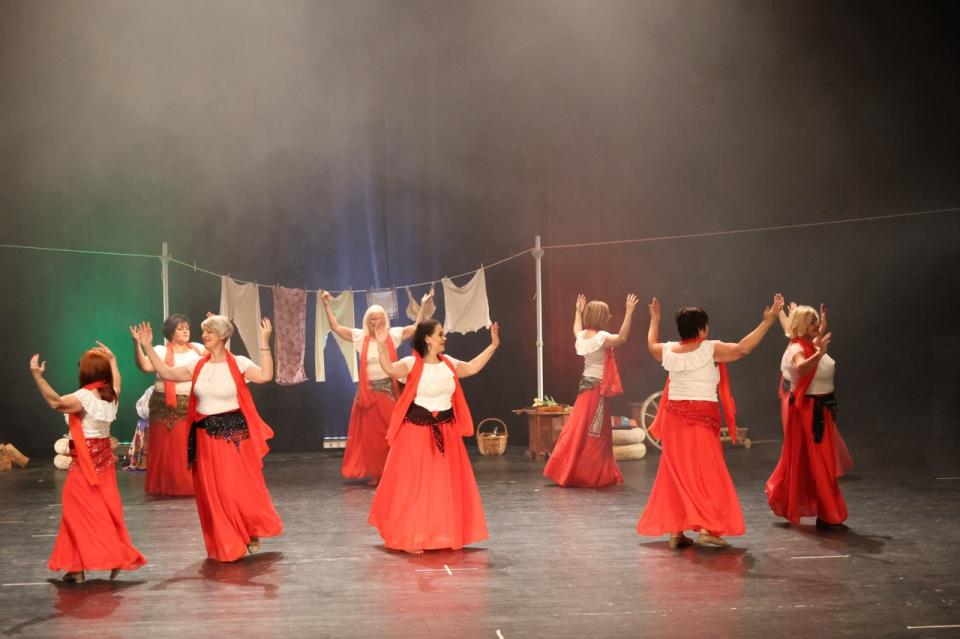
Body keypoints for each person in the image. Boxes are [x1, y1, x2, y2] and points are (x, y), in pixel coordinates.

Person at [637, 294, 784, 548]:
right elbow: (742, 348)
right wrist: (768, 321)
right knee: (707, 472)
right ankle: (708, 527)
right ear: (702, 328)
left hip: (673, 419)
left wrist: (654, 320)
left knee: (676, 473)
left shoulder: (668, 350)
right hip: (700, 419)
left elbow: (651, 344)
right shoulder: (709, 348)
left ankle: (676, 531)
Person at [133, 315, 282, 562]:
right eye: (203, 332)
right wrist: (147, 346)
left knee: (232, 489)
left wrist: (265, 342)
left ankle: (248, 529)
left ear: (223, 336)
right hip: (204, 438)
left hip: (233, 437)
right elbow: (167, 373)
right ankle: (228, 542)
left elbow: (265, 375)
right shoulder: (197, 365)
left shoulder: (239, 363)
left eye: (209, 332)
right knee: (213, 493)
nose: (204, 336)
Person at [367, 318, 499, 553]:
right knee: (417, 487)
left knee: (443, 487)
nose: (444, 338)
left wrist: (493, 345)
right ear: (427, 338)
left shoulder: (448, 363)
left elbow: (471, 367)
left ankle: (442, 534)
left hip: (446, 434)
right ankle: (411, 536)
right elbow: (389, 369)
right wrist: (380, 344)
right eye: (440, 334)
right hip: (416, 434)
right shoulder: (411, 364)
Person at [29, 344, 147, 582]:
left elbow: (55, 402)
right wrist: (113, 361)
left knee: (76, 513)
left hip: (85, 465)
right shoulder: (111, 395)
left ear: (85, 372)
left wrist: (37, 376)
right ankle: (76, 568)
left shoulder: (83, 398)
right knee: (92, 513)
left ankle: (110, 558)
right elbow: (118, 382)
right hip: (103, 464)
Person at [320, 289, 432, 485]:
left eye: (379, 318)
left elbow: (416, 327)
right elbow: (336, 327)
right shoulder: (359, 337)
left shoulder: (393, 335)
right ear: (367, 321)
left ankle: (395, 472)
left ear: (385, 319)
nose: (376, 322)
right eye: (372, 319)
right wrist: (326, 305)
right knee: (372, 438)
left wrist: (423, 305)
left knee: (392, 433)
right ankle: (377, 473)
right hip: (368, 395)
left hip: (389, 393)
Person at [766, 304, 853, 527]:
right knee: (820, 463)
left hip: (823, 409)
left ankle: (826, 511)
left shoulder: (810, 343)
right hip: (810, 412)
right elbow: (801, 368)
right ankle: (829, 513)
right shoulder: (797, 348)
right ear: (804, 326)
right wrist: (820, 352)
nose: (817, 325)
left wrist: (821, 329)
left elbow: (813, 345)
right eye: (813, 322)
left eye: (817, 322)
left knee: (821, 462)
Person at [543, 294, 638, 487]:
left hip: (585, 387)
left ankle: (568, 469)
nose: (610, 316)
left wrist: (577, 312)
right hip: (596, 390)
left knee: (579, 428)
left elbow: (576, 329)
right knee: (596, 432)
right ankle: (591, 473)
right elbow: (622, 337)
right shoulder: (601, 337)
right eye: (607, 314)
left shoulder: (583, 336)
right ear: (601, 317)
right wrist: (629, 313)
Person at [132, 313, 204, 495]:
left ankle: (190, 484)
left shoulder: (198, 349)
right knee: (166, 448)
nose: (185, 331)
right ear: (171, 332)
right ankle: (165, 485)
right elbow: (145, 366)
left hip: (191, 403)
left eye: (187, 328)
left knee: (187, 445)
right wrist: (138, 345)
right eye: (180, 328)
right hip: (164, 405)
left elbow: (218, 355)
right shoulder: (161, 351)